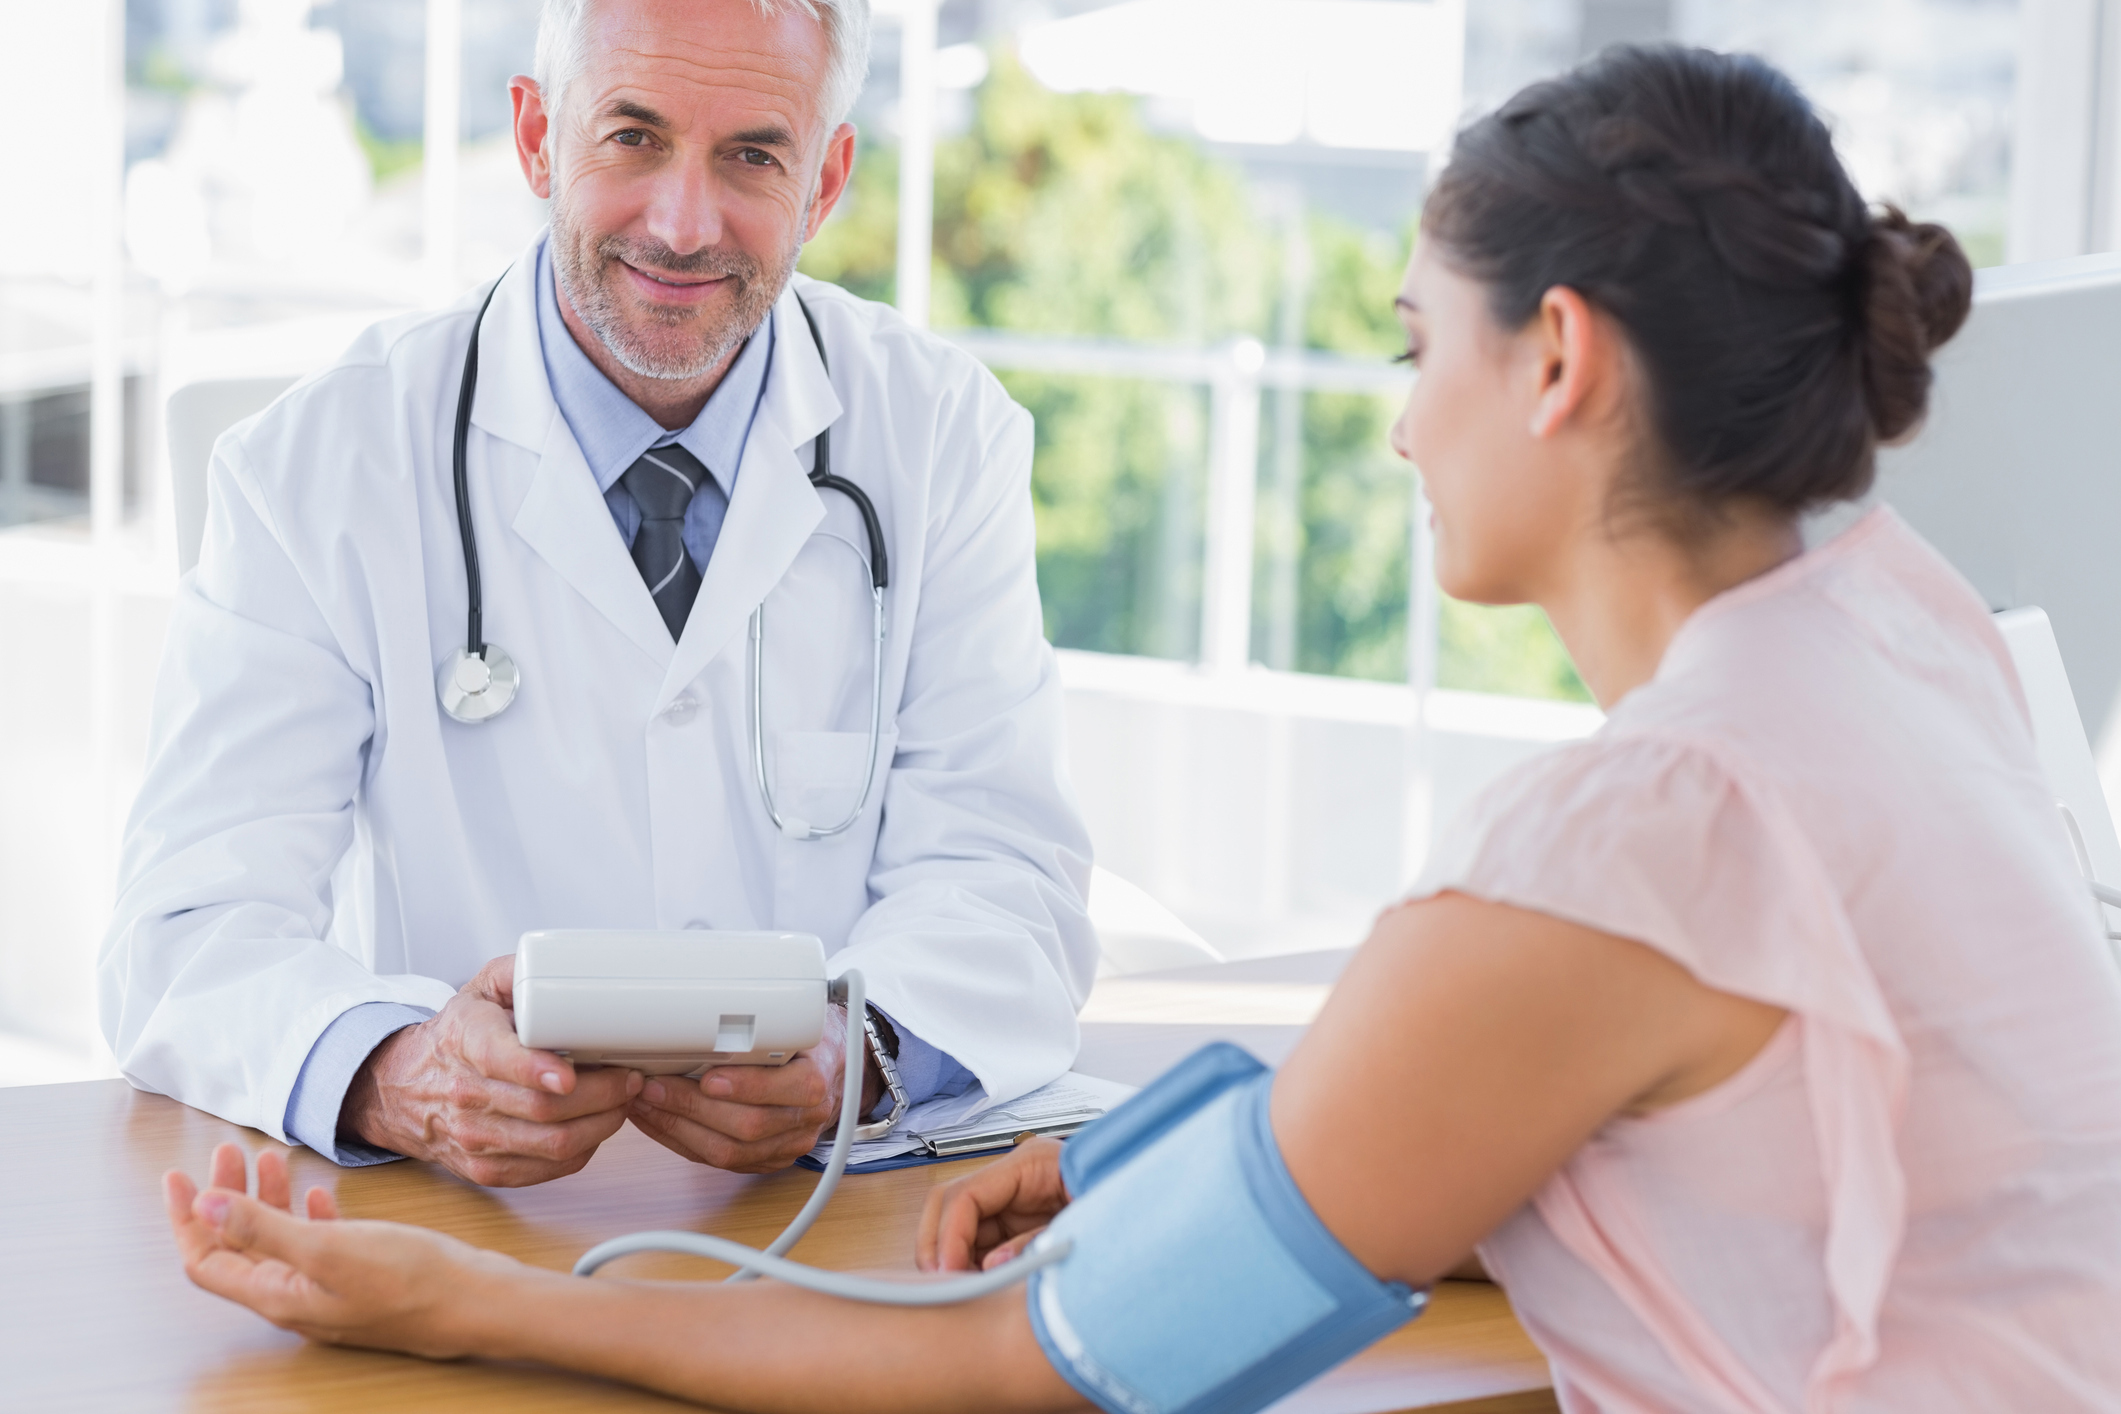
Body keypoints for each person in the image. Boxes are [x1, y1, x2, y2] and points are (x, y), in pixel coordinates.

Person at [163, 44, 2121, 1411]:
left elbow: (1042, 1357)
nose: (1388, 418)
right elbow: (1540, 1101)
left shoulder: (1621, 843)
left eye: (1405, 342)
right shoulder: (1903, 632)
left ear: (1555, 360)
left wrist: (479, 1303)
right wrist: (1146, 1155)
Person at [105, 0, 1096, 1188]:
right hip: (467, 1239)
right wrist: (399, 1072)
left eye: (752, 155)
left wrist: (858, 1056)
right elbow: (188, 932)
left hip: (816, 1224)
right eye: (632, 136)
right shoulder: (315, 468)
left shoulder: (943, 437)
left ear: (825, 179)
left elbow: (1005, 875)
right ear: (535, 137)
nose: (682, 224)